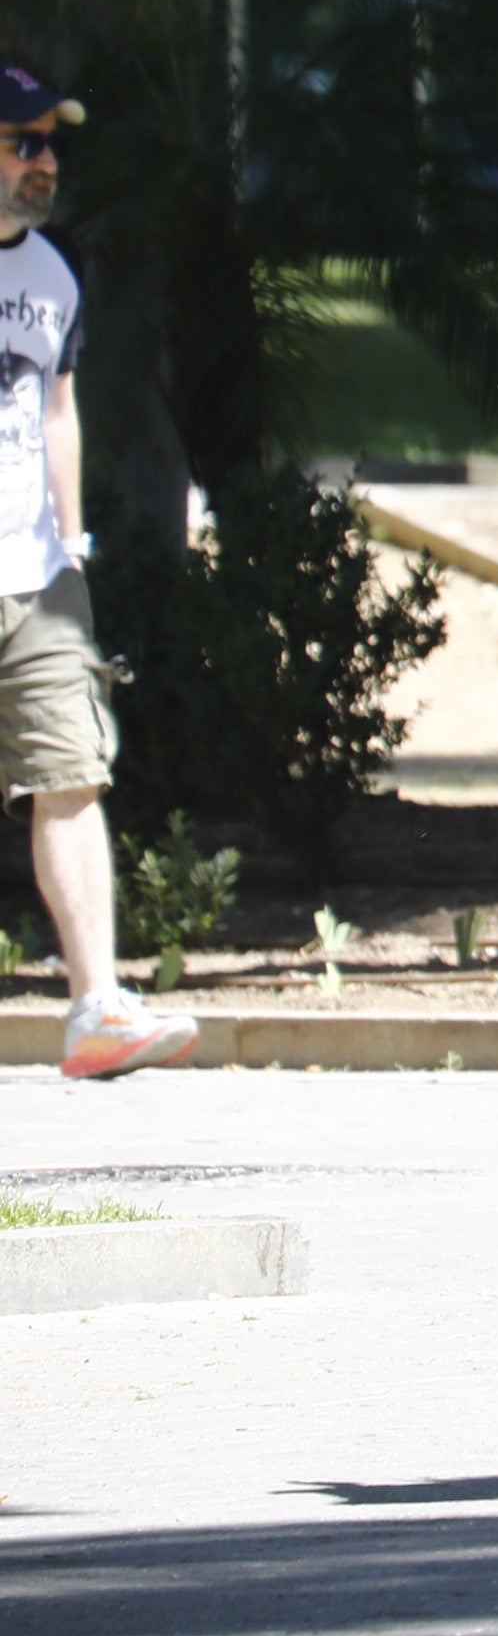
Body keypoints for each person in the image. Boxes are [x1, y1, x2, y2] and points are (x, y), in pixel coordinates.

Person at [0, 67, 186, 1079]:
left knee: (70, 775)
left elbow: (56, 408)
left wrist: (73, 544)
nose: (46, 164)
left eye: (51, 146)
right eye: (24, 144)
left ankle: (96, 1006)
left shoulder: (54, 276)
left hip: (35, 578)